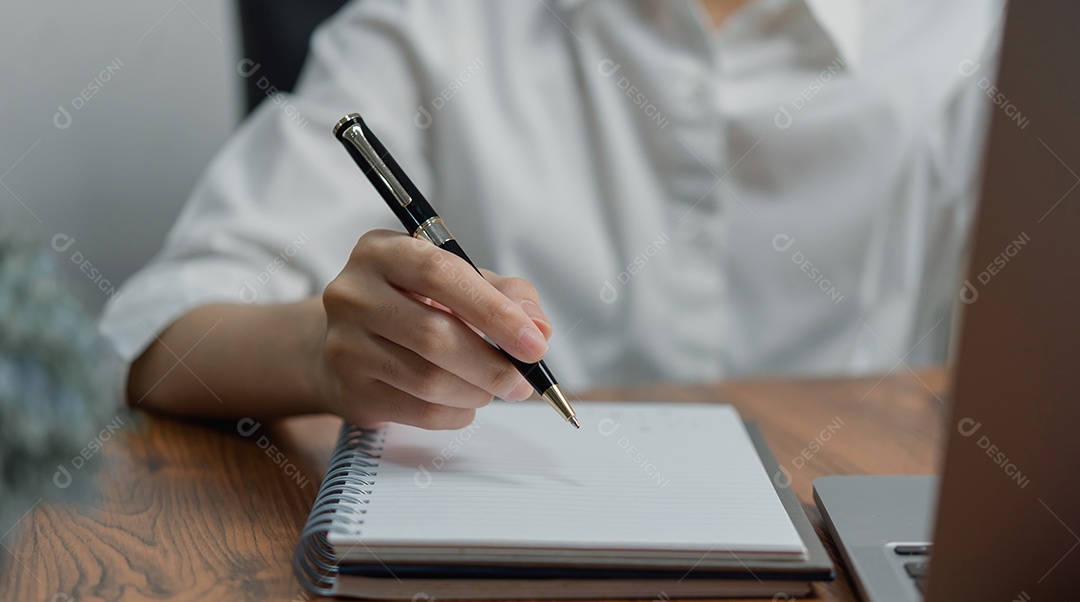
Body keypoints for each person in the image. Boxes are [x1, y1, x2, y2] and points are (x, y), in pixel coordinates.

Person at [100, 0, 1004, 430]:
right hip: (505, 593)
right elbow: (158, 336)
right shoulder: (433, 27)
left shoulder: (981, 33)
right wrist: (321, 353)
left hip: (848, 596)